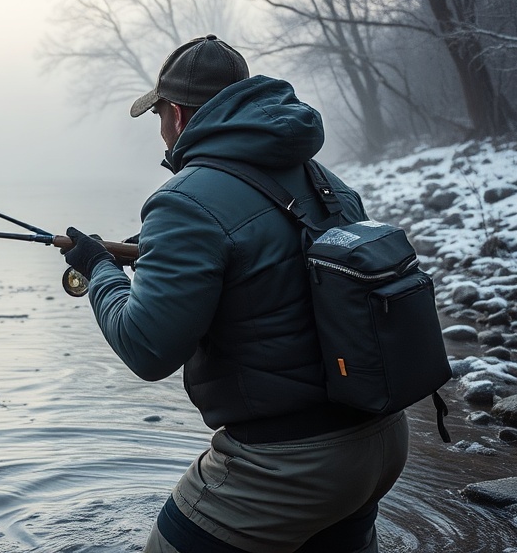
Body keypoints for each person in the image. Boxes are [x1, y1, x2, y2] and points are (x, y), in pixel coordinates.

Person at [60, 35, 409, 553]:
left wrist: (99, 268)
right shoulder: (323, 179)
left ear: (176, 115)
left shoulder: (185, 200)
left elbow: (146, 348)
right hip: (379, 441)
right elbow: (269, 262)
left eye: (158, 116)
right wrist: (152, 253)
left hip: (287, 466)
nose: (160, 132)